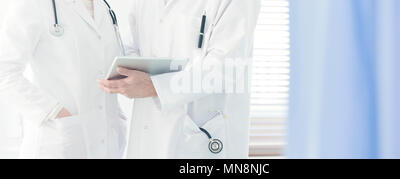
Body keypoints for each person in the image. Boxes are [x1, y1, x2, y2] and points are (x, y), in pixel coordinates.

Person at [98, 0, 261, 158]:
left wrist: (155, 86)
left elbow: (226, 67)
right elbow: (131, 45)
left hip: (199, 139)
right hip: (148, 134)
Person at [0, 0, 127, 159]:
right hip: (59, 141)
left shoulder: (102, 6)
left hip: (108, 142)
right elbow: (4, 72)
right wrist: (54, 111)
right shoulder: (34, 4)